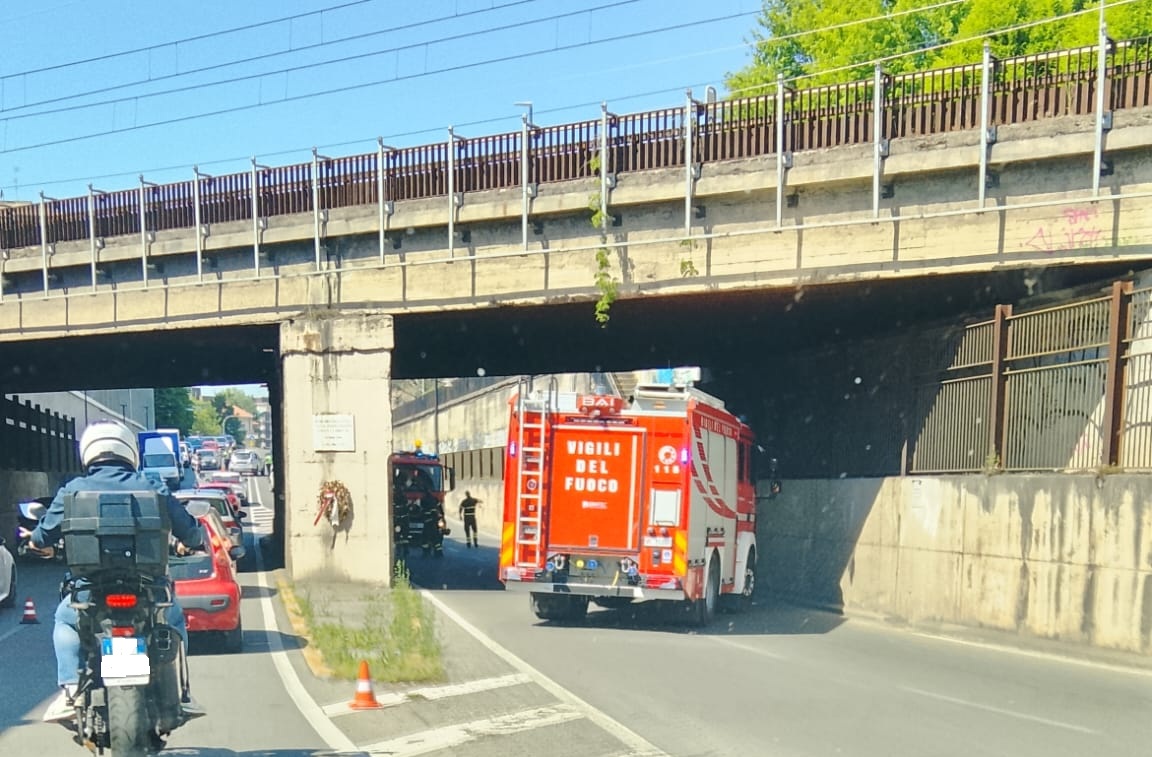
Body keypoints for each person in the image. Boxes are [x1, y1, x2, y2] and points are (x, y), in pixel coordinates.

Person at [19, 420, 207, 724]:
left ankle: (69, 691)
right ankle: (183, 693)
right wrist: (191, 542)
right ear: (130, 452)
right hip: (148, 587)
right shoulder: (153, 484)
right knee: (172, 618)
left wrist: (39, 544)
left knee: (65, 620)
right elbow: (191, 532)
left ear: (88, 453)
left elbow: (42, 537)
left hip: (90, 590)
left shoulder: (73, 489)